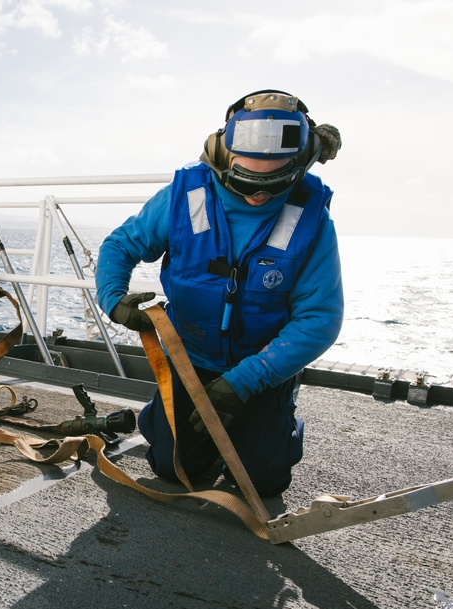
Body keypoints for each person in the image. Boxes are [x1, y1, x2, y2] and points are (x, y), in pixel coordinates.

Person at [95, 90, 344, 496]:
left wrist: (246, 381)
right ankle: (161, 416)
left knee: (264, 482)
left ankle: (281, 419)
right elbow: (120, 246)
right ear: (220, 157)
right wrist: (113, 300)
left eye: (272, 186)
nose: (258, 195)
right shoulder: (183, 197)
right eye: (246, 183)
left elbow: (320, 318)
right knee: (172, 469)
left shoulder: (312, 220)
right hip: (190, 359)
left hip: (261, 370)